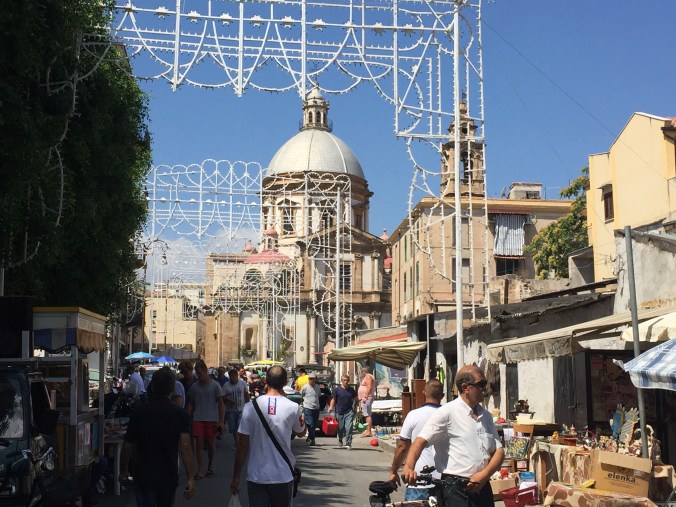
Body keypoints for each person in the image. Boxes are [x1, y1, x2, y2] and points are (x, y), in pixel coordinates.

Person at [402, 365, 504, 507]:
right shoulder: (447, 412)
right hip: (456, 489)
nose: (485, 388)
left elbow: (499, 451)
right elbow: (420, 441)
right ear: (465, 387)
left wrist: (484, 475)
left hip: (482, 486)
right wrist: (409, 466)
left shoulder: (485, 416)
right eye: (481, 384)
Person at [231, 365, 306, 507]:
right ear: (285, 382)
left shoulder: (250, 407)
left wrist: (236, 477)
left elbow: (242, 446)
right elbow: (301, 432)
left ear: (266, 380)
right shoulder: (293, 407)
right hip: (282, 475)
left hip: (257, 475)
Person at [120, 367, 195, 507]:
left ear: (153, 386)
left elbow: (128, 446)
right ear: (172, 389)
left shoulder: (139, 411)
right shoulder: (179, 414)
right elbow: (185, 446)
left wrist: (123, 470)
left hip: (144, 473)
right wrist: (190, 477)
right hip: (168, 473)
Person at [389, 379, 444, 502]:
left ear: (424, 392)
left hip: (417, 479)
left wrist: (393, 471)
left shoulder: (413, 415)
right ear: (442, 395)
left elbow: (402, 447)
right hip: (444, 481)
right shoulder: (448, 415)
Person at [187, 360, 225, 479]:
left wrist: (221, 421)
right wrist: (187, 417)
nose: (198, 376)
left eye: (200, 373)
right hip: (198, 418)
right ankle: (201, 469)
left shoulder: (215, 386)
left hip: (212, 419)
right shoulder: (194, 387)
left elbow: (221, 404)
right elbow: (191, 404)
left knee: (210, 445)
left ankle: (210, 464)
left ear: (205, 371)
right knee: (199, 444)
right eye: (197, 373)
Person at [328, 374, 357, 450]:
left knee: (348, 427)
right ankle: (340, 438)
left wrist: (358, 407)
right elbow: (333, 400)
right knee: (340, 428)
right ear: (341, 381)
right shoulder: (337, 390)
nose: (346, 382)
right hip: (339, 411)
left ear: (349, 381)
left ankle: (348, 443)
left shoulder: (351, 390)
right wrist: (331, 407)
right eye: (344, 380)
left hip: (349, 411)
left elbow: (356, 399)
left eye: (347, 380)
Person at [222, 368, 250, 448]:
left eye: (234, 377)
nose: (232, 378)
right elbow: (222, 397)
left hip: (241, 409)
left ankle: (239, 442)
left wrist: (248, 406)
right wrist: (229, 400)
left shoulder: (242, 383)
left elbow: (246, 394)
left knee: (239, 426)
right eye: (231, 377)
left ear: (237, 376)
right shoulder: (226, 385)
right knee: (233, 428)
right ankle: (236, 441)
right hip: (230, 410)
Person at [300, 372, 320, 446]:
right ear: (308, 379)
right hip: (307, 408)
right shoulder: (305, 387)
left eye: (313, 379)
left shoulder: (317, 387)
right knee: (310, 424)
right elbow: (301, 396)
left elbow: (318, 395)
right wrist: (302, 405)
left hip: (316, 408)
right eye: (311, 379)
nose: (312, 380)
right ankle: (312, 439)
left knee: (314, 425)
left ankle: (309, 438)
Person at [358, 366, 376, 437]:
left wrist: (366, 396)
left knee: (367, 414)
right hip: (366, 398)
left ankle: (369, 431)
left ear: (364, 371)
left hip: (367, 398)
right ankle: (368, 430)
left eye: (362, 371)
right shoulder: (368, 376)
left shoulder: (368, 377)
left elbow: (369, 387)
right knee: (367, 414)